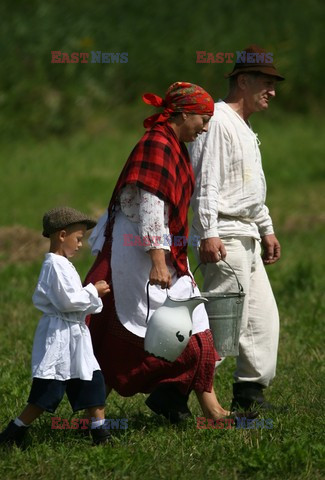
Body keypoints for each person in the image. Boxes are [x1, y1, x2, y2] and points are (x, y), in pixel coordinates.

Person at [85, 81, 230, 424]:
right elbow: (150, 206)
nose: (206, 127)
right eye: (202, 118)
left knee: (196, 326)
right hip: (140, 252)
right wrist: (157, 260)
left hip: (164, 251)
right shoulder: (157, 144)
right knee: (129, 337)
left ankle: (212, 410)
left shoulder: (173, 144)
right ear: (182, 113)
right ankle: (96, 418)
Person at [189, 45, 285, 411]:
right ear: (243, 81)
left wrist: (267, 228)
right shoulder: (216, 120)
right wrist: (209, 232)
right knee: (221, 327)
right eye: (266, 81)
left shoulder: (243, 126)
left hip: (246, 234)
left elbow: (249, 189)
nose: (273, 91)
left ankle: (249, 394)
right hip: (224, 236)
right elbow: (207, 184)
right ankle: (173, 392)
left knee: (262, 320)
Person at [0, 206, 111, 447]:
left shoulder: (64, 264)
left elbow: (74, 301)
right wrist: (93, 291)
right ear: (62, 235)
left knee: (93, 383)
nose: (80, 245)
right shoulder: (53, 265)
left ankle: (102, 436)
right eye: (78, 239)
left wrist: (92, 296)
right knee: (47, 392)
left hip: (76, 337)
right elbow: (67, 301)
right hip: (60, 337)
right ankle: (15, 432)